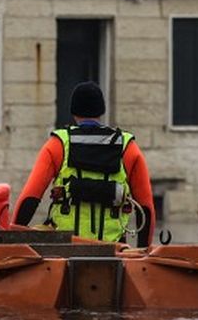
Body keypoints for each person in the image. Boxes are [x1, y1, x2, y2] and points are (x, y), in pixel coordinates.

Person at [12, 81, 154, 246]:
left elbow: (29, 199)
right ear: (101, 111)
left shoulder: (58, 144)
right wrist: (144, 251)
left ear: (73, 111)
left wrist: (12, 242)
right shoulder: (127, 147)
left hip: (64, 250)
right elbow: (146, 208)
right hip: (114, 251)